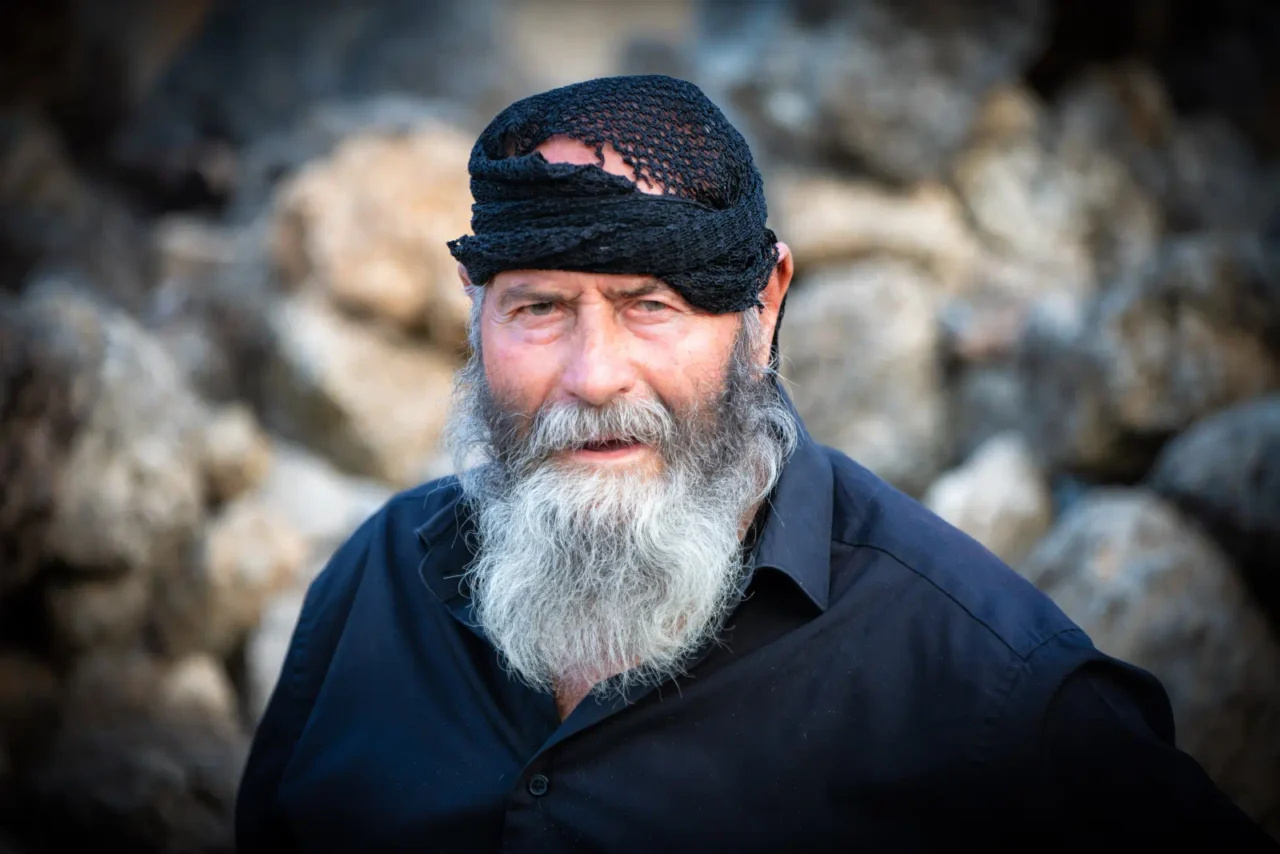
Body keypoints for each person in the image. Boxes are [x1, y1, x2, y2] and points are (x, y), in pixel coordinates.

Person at [235, 75, 1278, 853]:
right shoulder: (377, 586)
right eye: (538, 308)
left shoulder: (989, 690)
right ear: (476, 317)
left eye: (652, 305)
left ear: (763, 306)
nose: (593, 374)